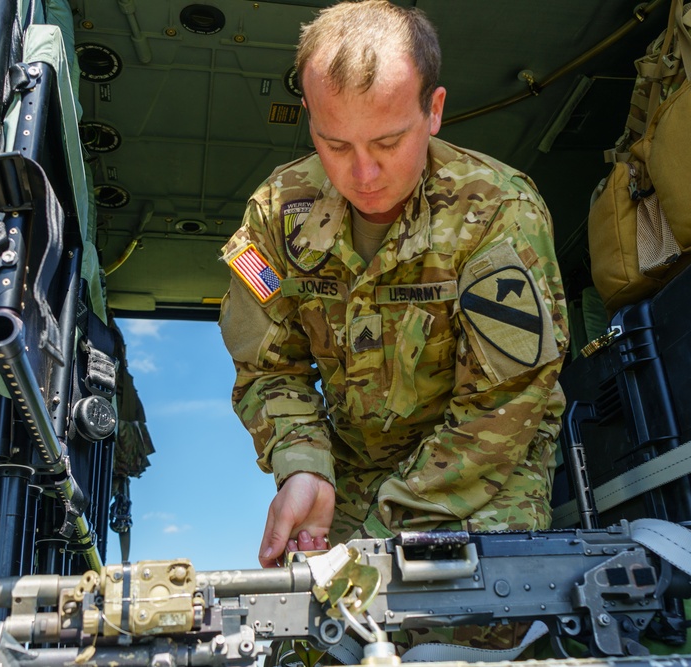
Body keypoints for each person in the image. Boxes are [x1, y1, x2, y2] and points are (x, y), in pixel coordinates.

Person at [219, 1, 568, 646]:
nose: (364, 173)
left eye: (388, 141)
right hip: (350, 471)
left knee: (462, 630)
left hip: (485, 467)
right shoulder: (275, 215)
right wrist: (304, 466)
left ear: (433, 111)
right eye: (334, 144)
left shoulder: (499, 210)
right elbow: (270, 366)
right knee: (329, 638)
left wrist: (385, 531)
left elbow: (507, 402)